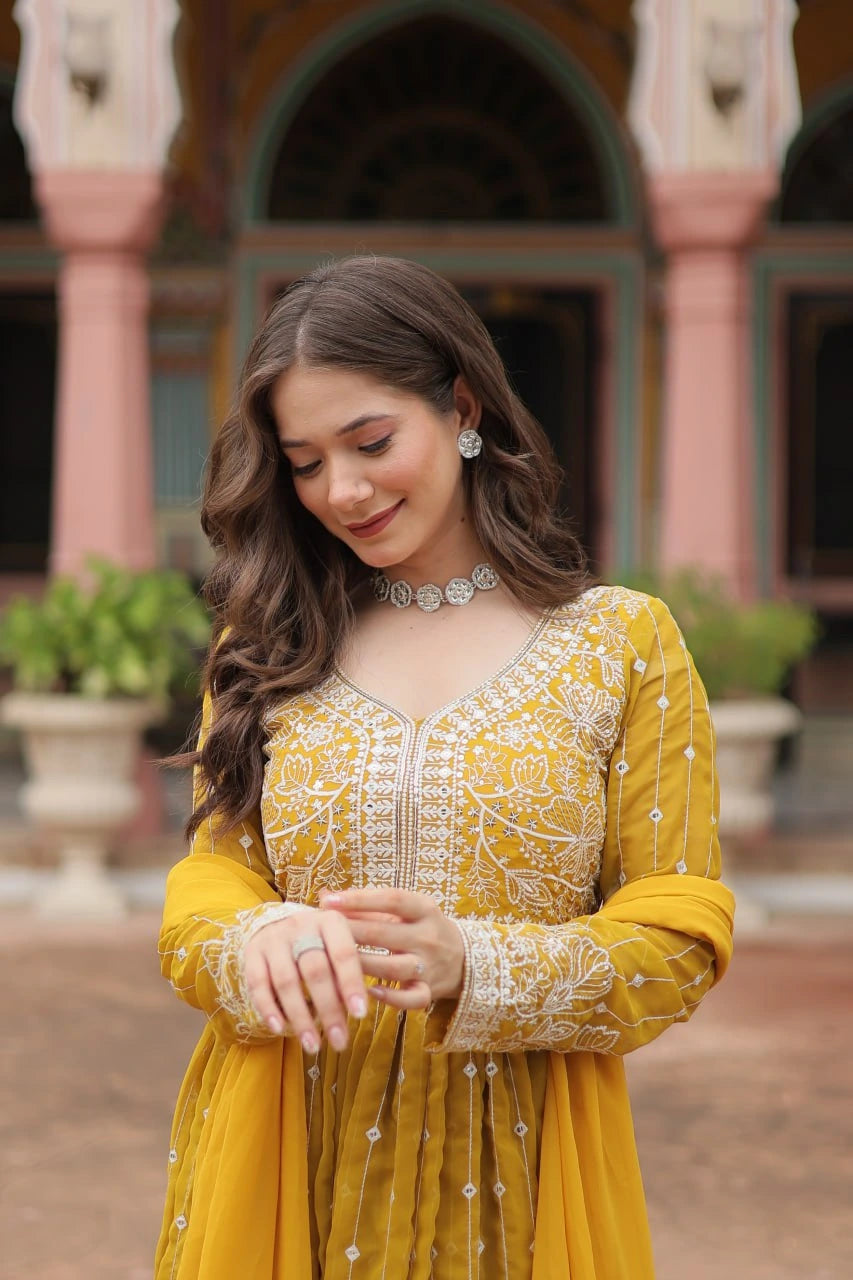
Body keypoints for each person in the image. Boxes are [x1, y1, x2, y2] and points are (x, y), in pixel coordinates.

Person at [155, 255, 735, 1280]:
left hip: (518, 1174)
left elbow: (678, 934)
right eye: (303, 460)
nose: (342, 488)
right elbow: (211, 877)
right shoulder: (269, 642)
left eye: (371, 440)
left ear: (462, 405)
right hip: (287, 1162)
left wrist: (481, 965)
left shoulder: (618, 644)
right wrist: (256, 935)